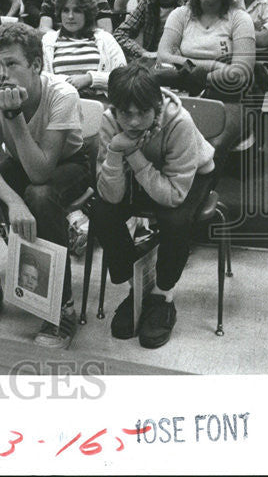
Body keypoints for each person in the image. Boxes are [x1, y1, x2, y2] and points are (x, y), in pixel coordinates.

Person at [0, 23, 88, 343]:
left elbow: (41, 172)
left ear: (35, 65)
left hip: (68, 165)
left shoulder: (62, 94)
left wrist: (14, 115)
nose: (1, 74)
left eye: (11, 64)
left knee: (40, 195)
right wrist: (12, 202)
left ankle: (62, 308)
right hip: (22, 162)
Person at [87, 62, 217, 348]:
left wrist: (131, 153)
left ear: (157, 105)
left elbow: (173, 195)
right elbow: (110, 195)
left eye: (143, 113)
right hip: (143, 173)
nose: (133, 122)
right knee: (101, 210)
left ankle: (162, 294)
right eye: (125, 114)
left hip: (191, 176)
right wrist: (113, 153)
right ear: (114, 108)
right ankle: (138, 288)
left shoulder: (178, 121)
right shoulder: (110, 121)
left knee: (174, 219)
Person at [156, 0, 255, 148]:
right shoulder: (181, 14)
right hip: (184, 92)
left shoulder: (239, 18)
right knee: (166, 140)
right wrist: (215, 66)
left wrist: (188, 69)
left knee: (213, 146)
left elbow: (240, 73)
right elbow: (163, 56)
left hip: (229, 97)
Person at [41, 0, 126, 98]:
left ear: (87, 13)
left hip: (101, 103)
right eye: (65, 10)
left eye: (77, 11)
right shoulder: (48, 40)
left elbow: (123, 76)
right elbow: (40, 77)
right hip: (61, 102)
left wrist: (90, 79)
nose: (70, 16)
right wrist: (67, 81)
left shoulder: (105, 39)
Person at [114, 0, 190, 63]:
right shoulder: (147, 2)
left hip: (180, 61)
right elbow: (120, 33)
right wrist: (143, 52)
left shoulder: (188, 5)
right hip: (151, 62)